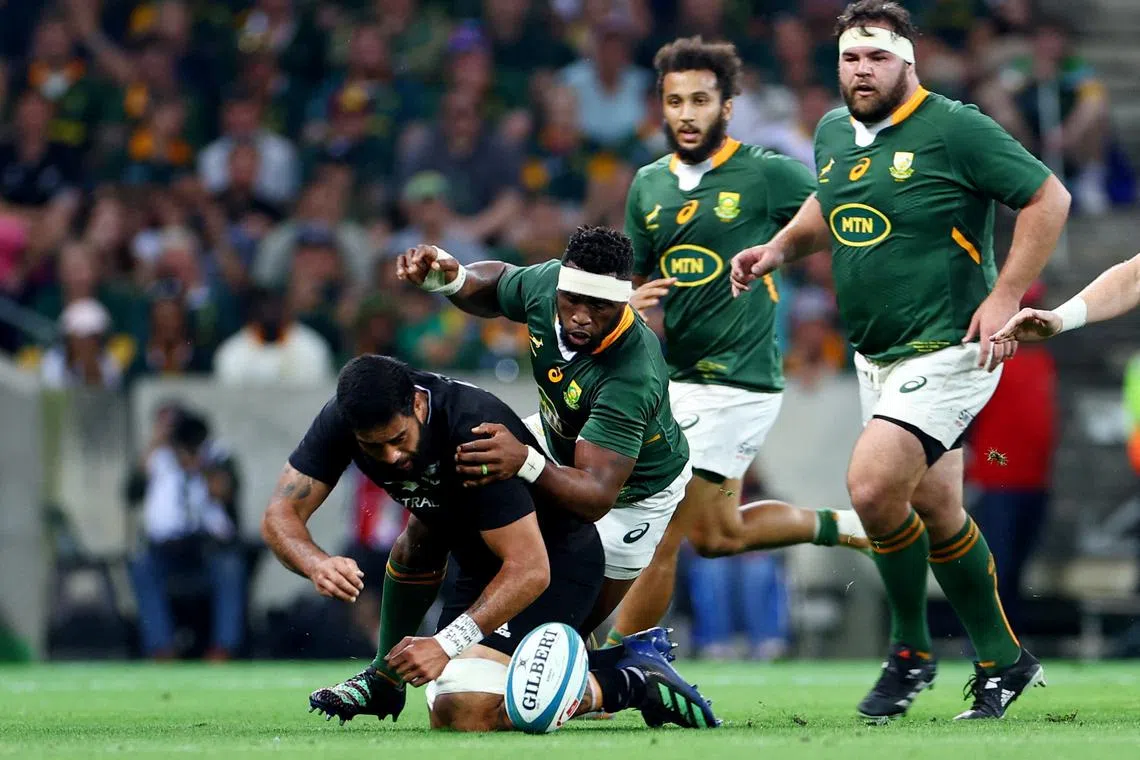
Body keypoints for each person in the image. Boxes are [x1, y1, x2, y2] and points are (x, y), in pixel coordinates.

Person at [730, 0, 1071, 721]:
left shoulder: (955, 127)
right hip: (876, 356)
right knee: (937, 509)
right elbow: (831, 202)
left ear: (907, 62)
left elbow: (1049, 197)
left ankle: (910, 649)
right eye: (851, 57)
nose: (863, 70)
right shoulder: (834, 129)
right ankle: (1005, 661)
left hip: (948, 347)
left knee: (871, 486)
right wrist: (779, 249)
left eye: (878, 57)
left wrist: (1006, 294)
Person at [261, 355, 717, 731]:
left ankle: (630, 678)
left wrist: (445, 643)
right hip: (481, 565)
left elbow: (530, 568)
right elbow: (280, 515)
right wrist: (315, 563)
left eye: (398, 440)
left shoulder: (473, 432)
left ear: (417, 404)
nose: (391, 457)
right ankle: (385, 677)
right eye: (373, 447)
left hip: (552, 566)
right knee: (420, 535)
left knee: (466, 711)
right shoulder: (344, 419)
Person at [610, 36, 868, 649]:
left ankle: (619, 668)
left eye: (701, 99)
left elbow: (840, 215)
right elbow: (634, 279)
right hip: (674, 382)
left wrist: (783, 254)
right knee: (715, 534)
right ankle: (844, 525)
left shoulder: (766, 172)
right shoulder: (648, 185)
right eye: (675, 100)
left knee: (659, 525)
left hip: (738, 380)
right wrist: (631, 303)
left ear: (727, 107)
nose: (687, 113)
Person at [395, 227, 691, 638]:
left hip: (632, 495)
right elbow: (498, 282)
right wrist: (455, 279)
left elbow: (594, 497)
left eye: (599, 306)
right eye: (572, 299)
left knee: (558, 636)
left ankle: (627, 669)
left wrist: (525, 461)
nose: (581, 315)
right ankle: (386, 662)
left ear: (622, 302)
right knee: (431, 513)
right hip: (551, 442)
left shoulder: (631, 374)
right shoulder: (547, 285)